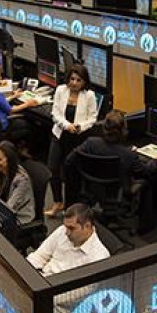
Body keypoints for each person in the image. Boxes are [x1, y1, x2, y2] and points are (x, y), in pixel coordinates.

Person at [64, 110, 157, 205]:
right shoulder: (128, 154)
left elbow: (69, 160)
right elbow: (144, 172)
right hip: (118, 194)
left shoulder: (90, 143)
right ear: (124, 131)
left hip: (92, 189)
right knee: (146, 183)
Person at [45, 64, 98, 217]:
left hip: (77, 138)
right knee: (52, 168)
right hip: (60, 134)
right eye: (72, 79)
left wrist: (80, 126)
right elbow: (55, 113)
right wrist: (66, 125)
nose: (74, 83)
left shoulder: (89, 95)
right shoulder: (61, 90)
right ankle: (57, 201)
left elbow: (92, 118)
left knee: (70, 174)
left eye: (78, 80)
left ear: (84, 82)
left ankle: (69, 208)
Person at [26, 203, 109, 275]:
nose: (67, 233)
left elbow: (82, 288)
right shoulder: (63, 230)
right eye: (66, 226)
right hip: (42, 277)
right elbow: (39, 255)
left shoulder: (98, 257)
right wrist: (27, 273)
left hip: (60, 287)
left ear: (87, 226)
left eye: (71, 228)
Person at [0, 141, 34, 225]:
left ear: (10, 160)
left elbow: (10, 207)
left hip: (18, 216)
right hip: (0, 208)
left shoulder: (22, 180)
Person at [0, 70, 36, 140]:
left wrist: (12, 97)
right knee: (31, 124)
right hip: (3, 123)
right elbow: (11, 110)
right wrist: (27, 104)